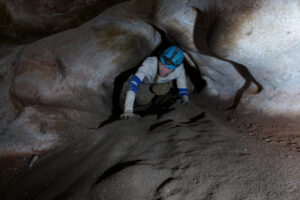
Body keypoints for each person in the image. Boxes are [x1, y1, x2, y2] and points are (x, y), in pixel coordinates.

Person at [120, 45, 189, 119]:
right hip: (146, 81)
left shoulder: (179, 69)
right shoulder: (150, 63)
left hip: (161, 82)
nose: (163, 70)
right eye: (162, 64)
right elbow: (133, 84)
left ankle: (167, 88)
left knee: (160, 89)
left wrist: (184, 97)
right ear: (159, 59)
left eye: (168, 68)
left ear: (175, 68)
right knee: (143, 100)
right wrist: (128, 109)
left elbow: (182, 85)